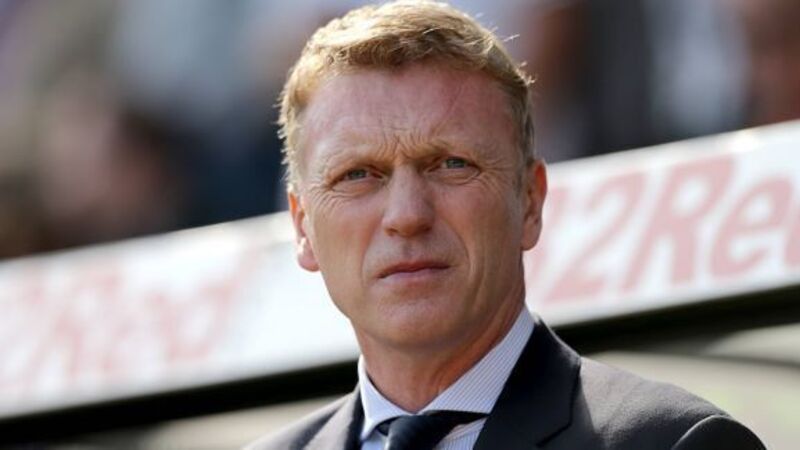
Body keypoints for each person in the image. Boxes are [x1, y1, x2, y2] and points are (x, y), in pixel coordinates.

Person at [246, 1, 765, 449]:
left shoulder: (674, 444)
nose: (406, 215)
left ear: (530, 202)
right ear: (302, 227)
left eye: (451, 164)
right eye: (358, 175)